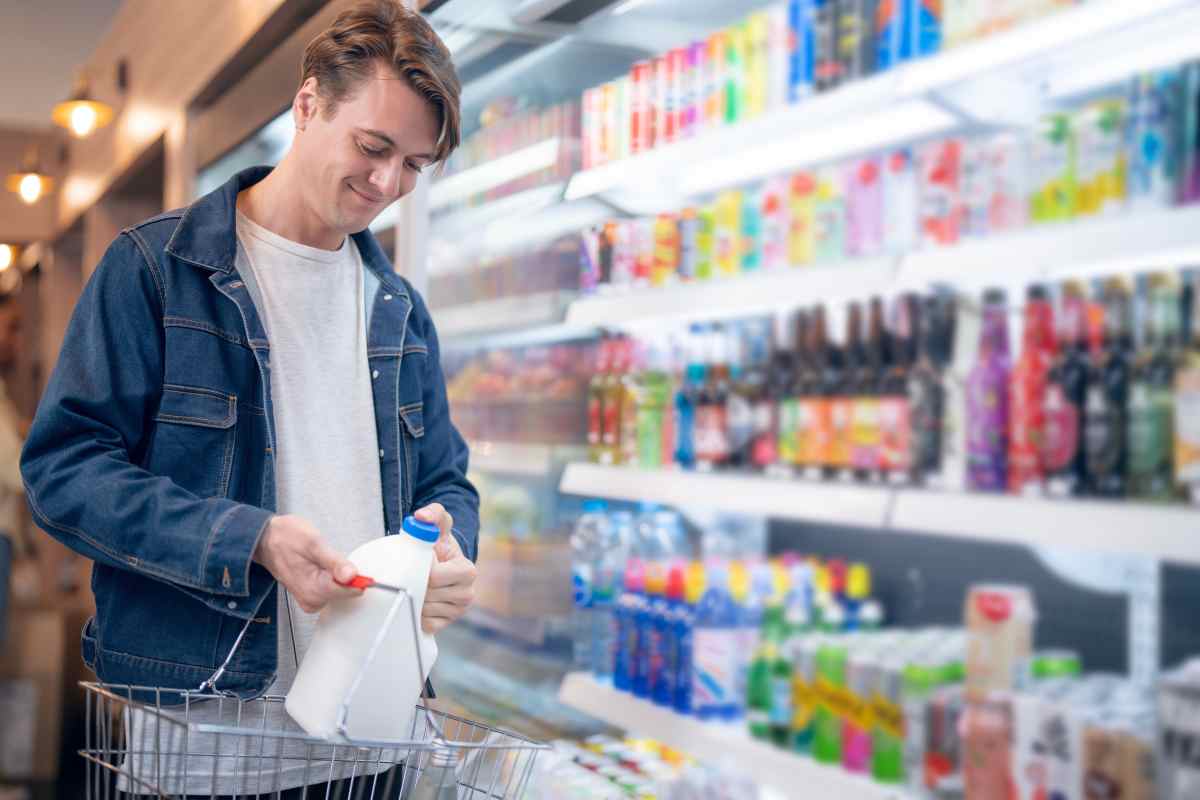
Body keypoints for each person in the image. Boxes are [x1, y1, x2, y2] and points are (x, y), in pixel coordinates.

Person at [20, 2, 478, 796]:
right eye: (373, 147)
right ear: (307, 106)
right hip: (206, 749)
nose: (386, 183)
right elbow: (64, 473)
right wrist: (248, 539)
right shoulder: (153, 273)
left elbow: (447, 481)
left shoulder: (399, 310)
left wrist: (449, 543)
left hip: (374, 753)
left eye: (413, 164)